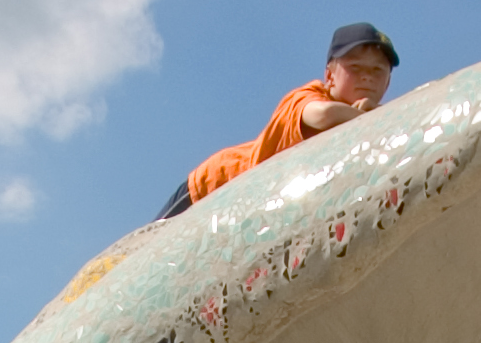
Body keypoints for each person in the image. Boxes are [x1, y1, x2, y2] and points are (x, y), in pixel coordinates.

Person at [159, 22, 399, 220]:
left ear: (388, 82)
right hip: (212, 185)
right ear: (329, 76)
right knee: (139, 252)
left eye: (378, 71)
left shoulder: (366, 131)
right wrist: (372, 118)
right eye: (355, 68)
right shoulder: (308, 97)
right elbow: (322, 115)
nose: (367, 76)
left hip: (248, 211)